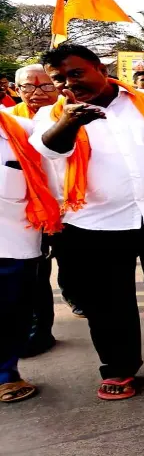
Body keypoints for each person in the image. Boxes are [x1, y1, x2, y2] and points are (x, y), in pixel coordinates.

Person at [31, 43, 144, 400]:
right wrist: (69, 121)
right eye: (60, 79)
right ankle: (119, 368)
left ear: (99, 67)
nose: (69, 83)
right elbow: (49, 150)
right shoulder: (53, 114)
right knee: (107, 304)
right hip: (96, 225)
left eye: (76, 73)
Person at [8, 65, 72, 358]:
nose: (36, 93)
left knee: (76, 269)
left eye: (45, 86)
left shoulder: (74, 114)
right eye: (28, 87)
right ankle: (40, 331)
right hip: (34, 213)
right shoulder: (9, 121)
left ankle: (76, 295)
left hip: (77, 207)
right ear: (16, 89)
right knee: (37, 274)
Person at [0, 109, 61, 403]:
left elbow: (50, 182)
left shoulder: (23, 130)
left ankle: (4, 374)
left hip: (12, 242)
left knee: (12, 310)